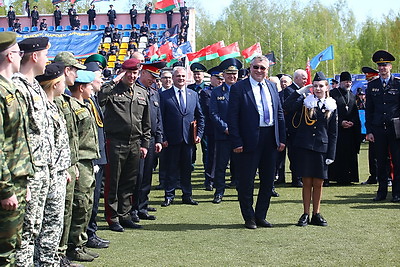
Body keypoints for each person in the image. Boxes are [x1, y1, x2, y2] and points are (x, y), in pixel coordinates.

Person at [227, 55, 285, 229]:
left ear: (267, 70)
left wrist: (281, 138)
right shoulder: (239, 88)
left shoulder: (273, 86)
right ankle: (249, 217)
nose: (259, 71)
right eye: (256, 67)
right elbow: (232, 117)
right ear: (250, 68)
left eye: (263, 68)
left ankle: (261, 215)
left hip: (270, 138)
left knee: (268, 180)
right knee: (246, 181)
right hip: (248, 139)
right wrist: (236, 141)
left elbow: (279, 113)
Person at [12, 37, 52, 266]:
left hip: (41, 170)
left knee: (34, 230)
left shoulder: (35, 86)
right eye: (46, 54)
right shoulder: (19, 88)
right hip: (29, 173)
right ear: (35, 56)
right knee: (24, 234)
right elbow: (19, 136)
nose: (48, 60)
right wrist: (24, 179)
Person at [98, 58, 151, 232]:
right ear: (123, 72)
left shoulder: (141, 93)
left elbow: (146, 122)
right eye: (129, 73)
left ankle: (125, 215)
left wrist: (145, 144)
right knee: (113, 182)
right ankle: (112, 218)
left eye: (135, 73)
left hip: (135, 143)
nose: (132, 76)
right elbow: (100, 97)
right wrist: (113, 81)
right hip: (115, 142)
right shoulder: (113, 90)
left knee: (129, 182)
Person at [283, 71, 338, 227]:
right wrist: (300, 91)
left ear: (326, 87)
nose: (318, 89)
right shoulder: (306, 102)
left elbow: (333, 132)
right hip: (305, 146)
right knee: (306, 182)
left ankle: (317, 213)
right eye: (315, 86)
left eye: (321, 86)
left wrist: (331, 153)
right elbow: (286, 106)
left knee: (319, 183)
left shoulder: (331, 105)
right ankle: (306, 213)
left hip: (322, 148)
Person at [0, 31, 33, 267]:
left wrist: (25, 183)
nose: (22, 57)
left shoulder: (10, 89)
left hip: (18, 180)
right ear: (10, 56)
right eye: (19, 53)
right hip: (7, 184)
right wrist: (5, 189)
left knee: (14, 245)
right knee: (4, 250)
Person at [35, 62, 71, 266]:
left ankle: (49, 261)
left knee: (55, 223)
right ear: (54, 83)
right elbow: (47, 146)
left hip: (57, 172)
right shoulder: (44, 108)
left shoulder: (52, 105)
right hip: (49, 175)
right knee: (48, 225)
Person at [159, 66, 205, 207]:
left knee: (187, 169)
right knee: (171, 169)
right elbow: (160, 119)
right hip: (171, 140)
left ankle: (187, 195)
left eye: (183, 76)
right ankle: (169, 195)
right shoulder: (164, 95)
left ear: (187, 78)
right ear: (173, 78)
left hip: (189, 139)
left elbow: (201, 117)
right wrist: (163, 138)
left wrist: (199, 134)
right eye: (178, 76)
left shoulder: (193, 95)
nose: (181, 79)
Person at [366, 50, 400, 203]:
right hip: (378, 129)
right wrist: (369, 131)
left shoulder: (398, 84)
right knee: (381, 162)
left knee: (398, 162)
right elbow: (369, 110)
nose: (382, 68)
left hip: (395, 129)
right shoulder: (372, 85)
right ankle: (381, 192)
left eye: (384, 65)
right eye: (379, 65)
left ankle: (397, 193)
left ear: (390, 66)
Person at [133, 62, 166, 221]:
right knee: (136, 176)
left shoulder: (154, 93)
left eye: (155, 77)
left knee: (147, 176)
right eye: (152, 76)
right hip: (137, 140)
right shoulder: (133, 90)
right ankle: (131, 209)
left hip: (152, 140)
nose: (153, 80)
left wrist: (159, 139)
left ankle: (142, 206)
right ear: (143, 73)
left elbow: (158, 119)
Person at [83, 61, 110, 250]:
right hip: (91, 157)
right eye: (99, 77)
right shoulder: (84, 100)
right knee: (88, 201)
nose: (102, 80)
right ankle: (87, 235)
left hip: (99, 155)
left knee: (94, 200)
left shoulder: (93, 98)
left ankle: (91, 232)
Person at [209, 59, 242, 204]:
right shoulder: (216, 92)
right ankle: (219, 192)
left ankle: (241, 192)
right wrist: (225, 128)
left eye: (234, 74)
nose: (232, 77)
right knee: (221, 166)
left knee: (241, 166)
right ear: (224, 75)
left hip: (240, 136)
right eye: (229, 74)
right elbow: (213, 114)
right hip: (223, 135)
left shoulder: (243, 90)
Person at [328, 71, 361, 185]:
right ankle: (336, 177)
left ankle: (349, 177)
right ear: (341, 82)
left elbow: (354, 112)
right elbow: (330, 112)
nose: (348, 84)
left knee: (349, 154)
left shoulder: (352, 95)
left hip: (350, 132)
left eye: (350, 82)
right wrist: (341, 122)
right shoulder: (332, 93)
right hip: (337, 130)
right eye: (346, 81)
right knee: (338, 154)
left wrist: (352, 122)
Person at [280, 69, 308, 187]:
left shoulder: (304, 91)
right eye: (304, 78)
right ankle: (296, 178)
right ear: (296, 78)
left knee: (300, 154)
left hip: (301, 128)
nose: (306, 81)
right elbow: (288, 107)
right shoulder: (289, 91)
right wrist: (302, 98)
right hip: (292, 128)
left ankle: (300, 176)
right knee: (294, 154)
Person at [199, 66, 224, 192]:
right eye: (217, 78)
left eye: (221, 78)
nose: (220, 81)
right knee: (212, 155)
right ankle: (209, 180)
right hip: (213, 129)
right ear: (212, 78)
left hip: (225, 129)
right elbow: (209, 110)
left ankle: (221, 179)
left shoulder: (225, 91)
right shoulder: (206, 92)